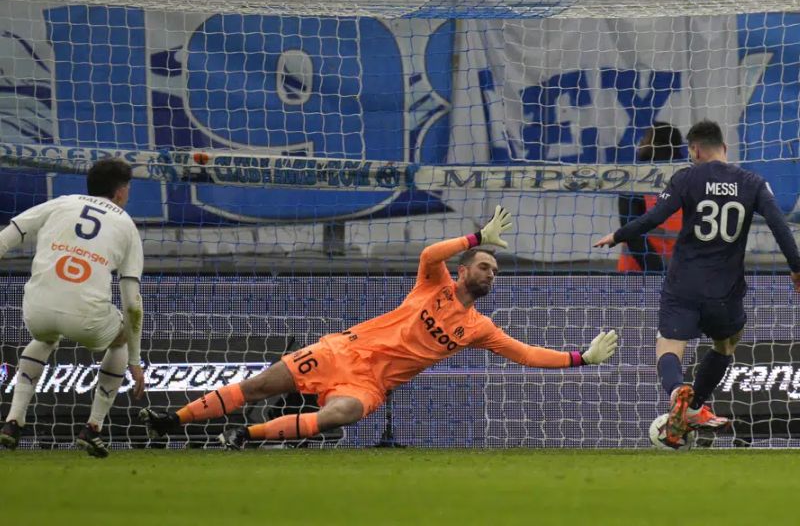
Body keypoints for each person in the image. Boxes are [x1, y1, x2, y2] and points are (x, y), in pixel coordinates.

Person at [140, 206, 619, 448]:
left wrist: (580, 358)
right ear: (465, 268)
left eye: (495, 270)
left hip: (369, 382)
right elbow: (429, 254)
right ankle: (173, 422)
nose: (490, 273)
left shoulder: (478, 327)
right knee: (261, 383)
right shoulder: (434, 284)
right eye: (484, 265)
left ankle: (248, 437)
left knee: (339, 417)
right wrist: (474, 236)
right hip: (340, 351)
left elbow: (527, 354)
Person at [594, 120, 800, 447]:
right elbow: (780, 228)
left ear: (695, 149)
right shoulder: (753, 183)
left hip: (684, 282)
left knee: (669, 346)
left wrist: (618, 235)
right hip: (726, 288)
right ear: (725, 148)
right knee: (726, 345)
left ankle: (679, 393)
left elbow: (654, 217)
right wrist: (797, 269)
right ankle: (693, 406)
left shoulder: (687, 177)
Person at [0, 158, 145, 458]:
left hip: (37, 310)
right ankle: (93, 428)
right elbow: (132, 303)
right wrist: (135, 358)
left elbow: (10, 234)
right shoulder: (126, 225)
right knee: (120, 338)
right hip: (87, 319)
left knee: (45, 337)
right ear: (120, 193)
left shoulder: (60, 203)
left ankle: (13, 421)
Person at [618, 122, 685, 272]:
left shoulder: (688, 178)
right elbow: (631, 234)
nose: (641, 143)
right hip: (642, 273)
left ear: (658, 144)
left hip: (671, 275)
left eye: (646, 139)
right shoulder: (633, 180)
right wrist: (658, 272)